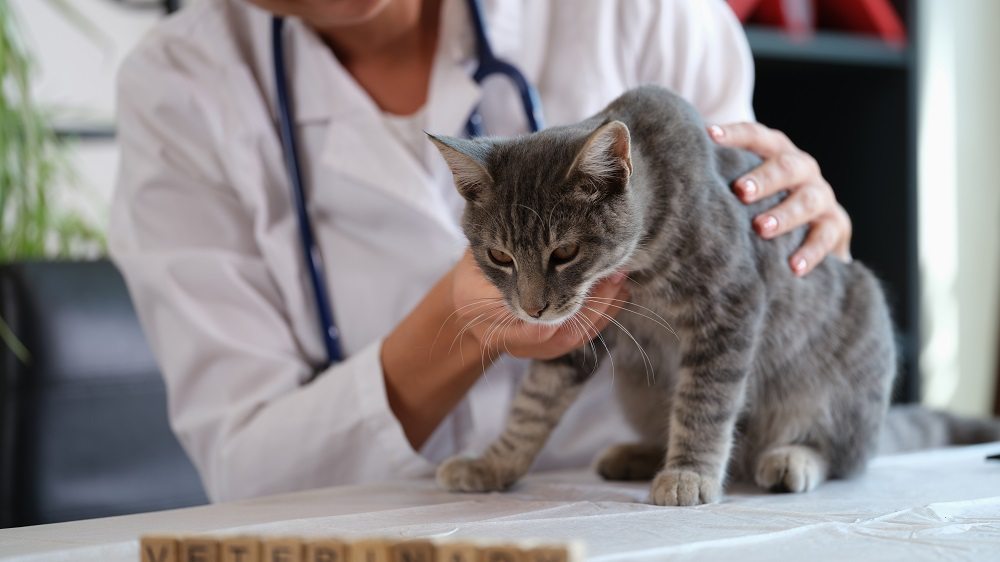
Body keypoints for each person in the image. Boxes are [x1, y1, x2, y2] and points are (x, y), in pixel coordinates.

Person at [110, 0, 852, 503]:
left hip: (628, 507)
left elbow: (740, 292)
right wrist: (458, 319)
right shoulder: (179, 86)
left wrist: (803, 231)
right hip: (371, 524)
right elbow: (249, 476)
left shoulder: (643, 10)